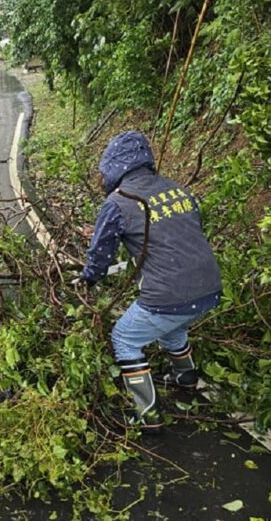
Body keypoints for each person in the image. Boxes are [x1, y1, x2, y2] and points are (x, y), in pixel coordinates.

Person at [78, 131, 222, 432]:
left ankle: (147, 413)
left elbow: (99, 256)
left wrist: (88, 279)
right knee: (173, 326)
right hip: (209, 288)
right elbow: (180, 235)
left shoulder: (118, 202)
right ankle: (185, 377)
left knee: (125, 339)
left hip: (169, 294)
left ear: (113, 166)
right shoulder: (178, 190)